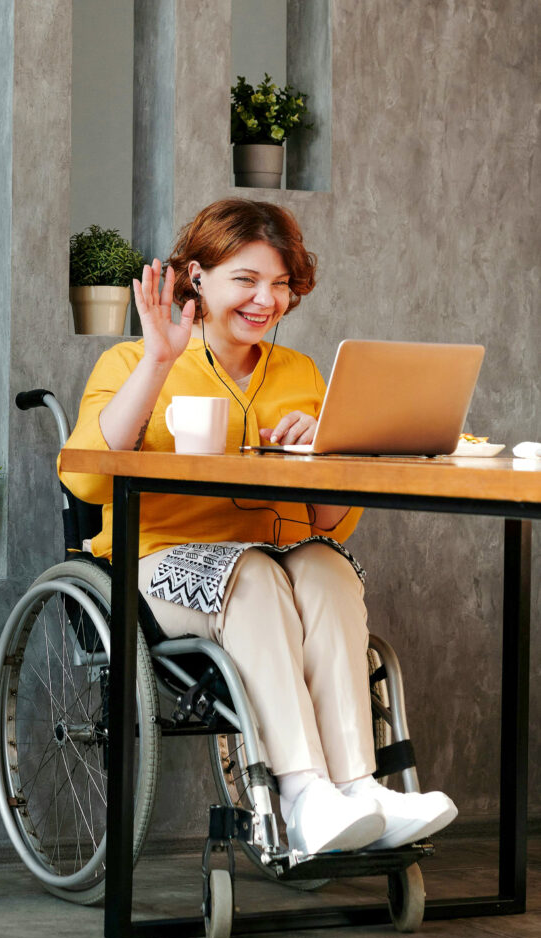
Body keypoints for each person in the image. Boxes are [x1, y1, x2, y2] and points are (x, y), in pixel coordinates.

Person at [59, 198, 457, 856]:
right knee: (254, 574)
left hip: (272, 565)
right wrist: (158, 362)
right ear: (197, 277)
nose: (264, 299)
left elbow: (329, 523)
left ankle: (357, 790)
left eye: (279, 284)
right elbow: (88, 481)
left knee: (326, 566)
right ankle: (302, 793)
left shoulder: (299, 374)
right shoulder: (132, 363)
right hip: (159, 568)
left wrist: (324, 453)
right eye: (245, 279)